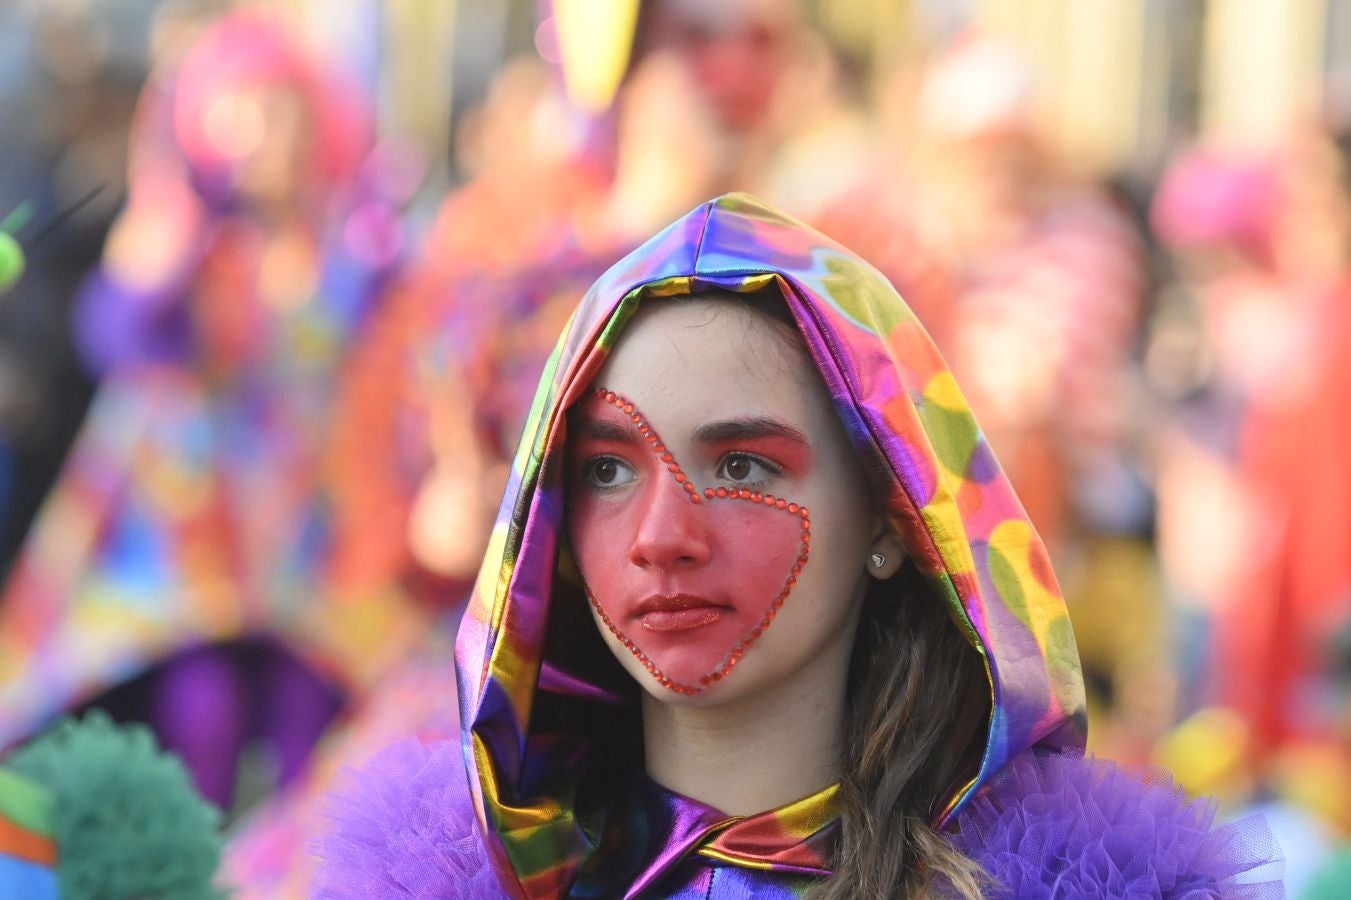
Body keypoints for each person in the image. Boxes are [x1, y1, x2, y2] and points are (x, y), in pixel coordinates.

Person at [314, 194, 1282, 897]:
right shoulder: (438, 882)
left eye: (742, 466)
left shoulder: (1066, 889)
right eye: (608, 470)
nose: (661, 540)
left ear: (889, 520)